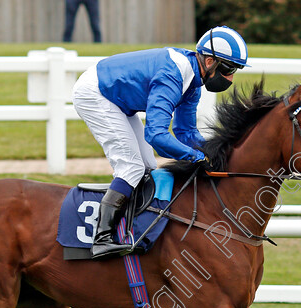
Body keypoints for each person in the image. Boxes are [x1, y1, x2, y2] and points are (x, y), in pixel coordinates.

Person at [71, 25, 250, 258]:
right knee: (131, 166)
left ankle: (130, 226)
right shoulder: (173, 74)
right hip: (96, 93)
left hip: (117, 98)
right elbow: (156, 135)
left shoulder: (193, 83)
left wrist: (215, 153)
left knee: (148, 166)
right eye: (229, 68)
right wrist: (196, 157)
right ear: (209, 61)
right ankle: (101, 238)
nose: (231, 77)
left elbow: (186, 132)